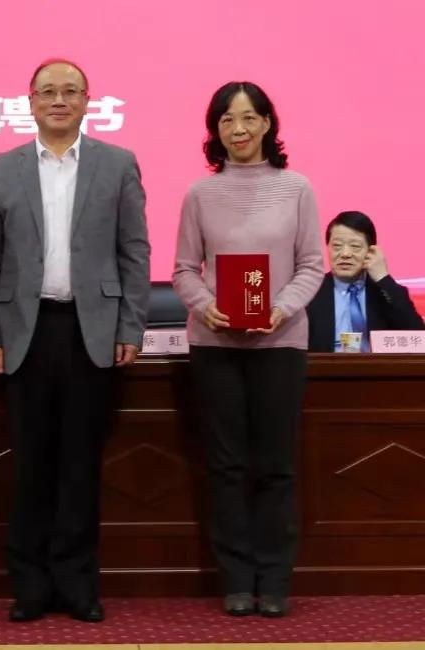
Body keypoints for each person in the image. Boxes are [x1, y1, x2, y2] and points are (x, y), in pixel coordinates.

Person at [0, 58, 150, 623]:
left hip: (91, 331)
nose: (59, 100)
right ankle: (29, 585)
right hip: (23, 332)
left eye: (71, 91)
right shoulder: (1, 169)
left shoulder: (118, 164)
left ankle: (77, 584)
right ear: (30, 102)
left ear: (88, 101)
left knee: (80, 464)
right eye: (48, 92)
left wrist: (130, 326)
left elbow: (134, 251)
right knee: (30, 464)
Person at [172, 81, 323, 618]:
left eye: (248, 118)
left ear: (266, 124)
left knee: (276, 466)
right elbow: (184, 270)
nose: (238, 129)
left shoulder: (297, 188)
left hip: (279, 342)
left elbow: (312, 265)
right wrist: (205, 304)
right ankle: (237, 579)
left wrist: (281, 307)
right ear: (215, 130)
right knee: (227, 466)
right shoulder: (200, 193)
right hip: (215, 344)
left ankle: (274, 580)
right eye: (226, 120)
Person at [307, 210, 424, 351]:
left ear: (371, 251)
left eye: (355, 246)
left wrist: (383, 278)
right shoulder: (311, 292)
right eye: (337, 246)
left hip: (378, 365)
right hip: (325, 365)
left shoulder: (385, 292)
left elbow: (417, 336)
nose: (345, 254)